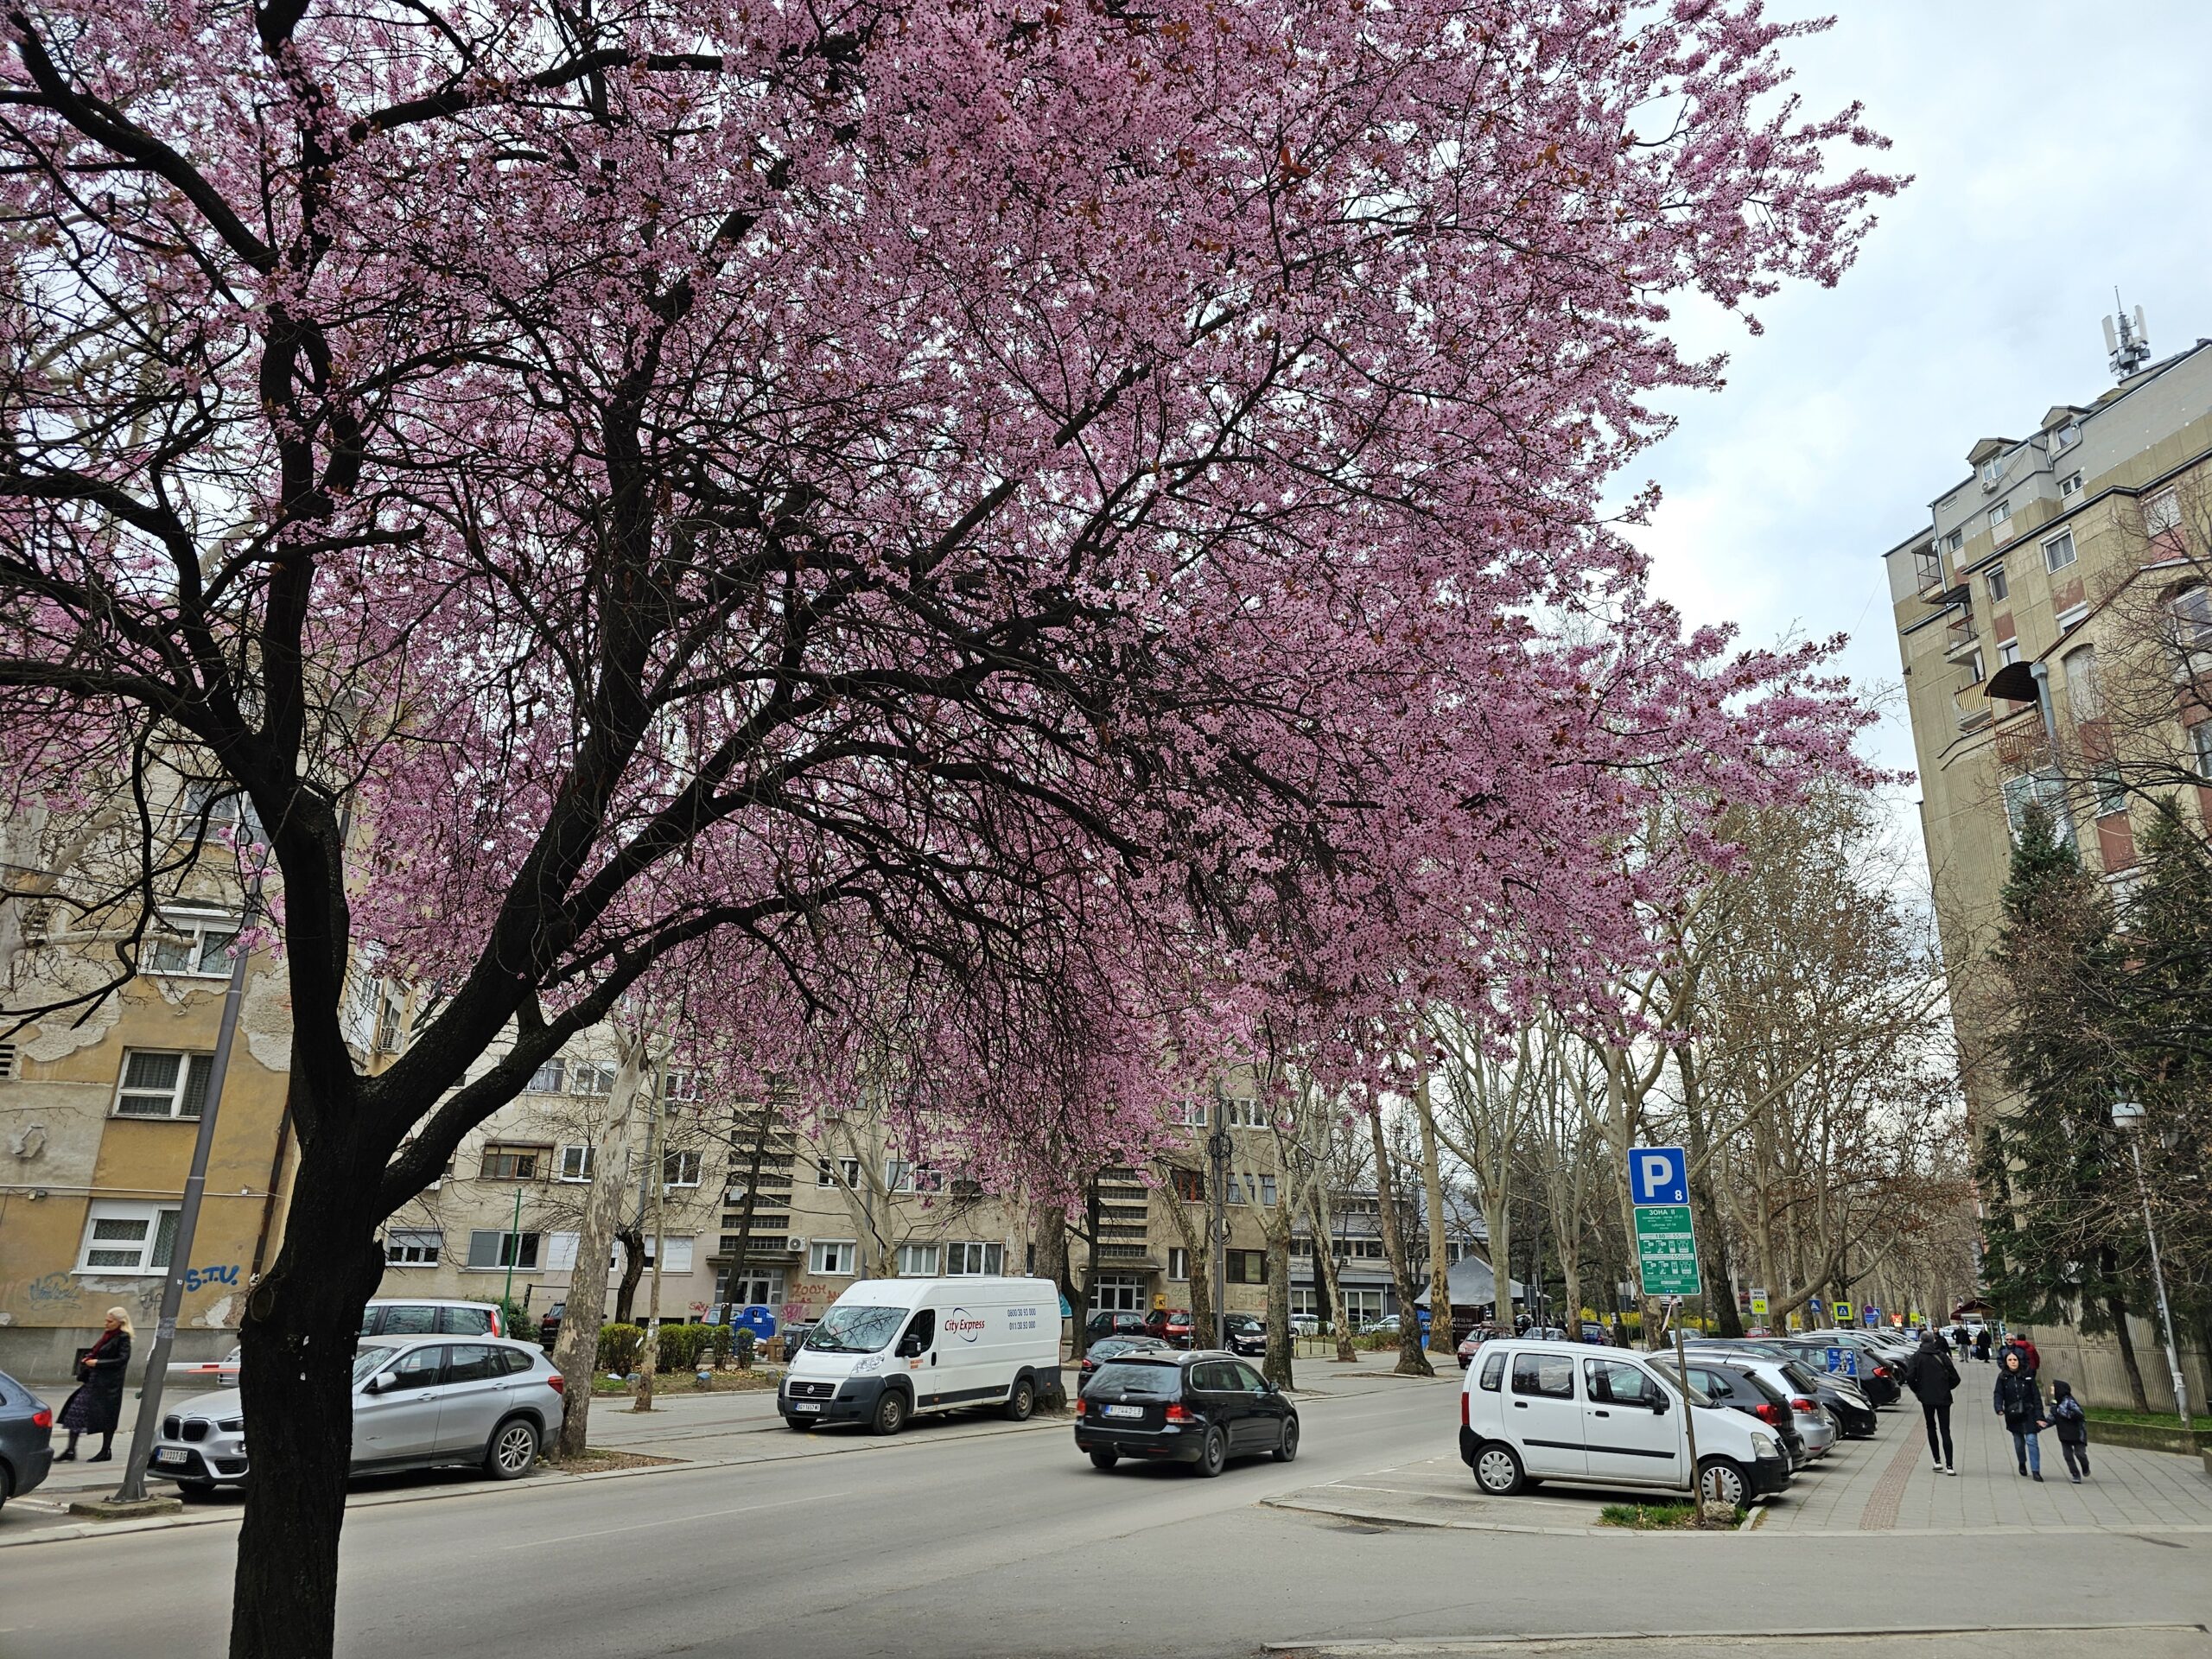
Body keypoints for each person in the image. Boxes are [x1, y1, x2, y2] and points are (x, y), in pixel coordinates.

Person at [55, 1307, 134, 1463]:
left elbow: (122, 1360)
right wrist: (89, 1358)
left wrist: (97, 1363)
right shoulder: (107, 1335)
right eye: (106, 1320)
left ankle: (106, 1450)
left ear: (120, 1322)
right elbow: (97, 1352)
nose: (106, 1323)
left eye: (110, 1321)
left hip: (108, 1386)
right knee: (74, 1412)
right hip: (93, 1382)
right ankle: (70, 1450)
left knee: (107, 1417)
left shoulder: (123, 1338)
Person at [1903, 1330, 1961, 1474]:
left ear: (1921, 1340)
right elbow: (1956, 1378)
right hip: (1944, 1398)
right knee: (1945, 1430)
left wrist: (1918, 1391)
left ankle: (1937, 1461)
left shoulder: (1916, 1357)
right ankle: (1950, 1466)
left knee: (1931, 1427)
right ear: (1933, 1340)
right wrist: (1946, 1388)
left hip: (1926, 1398)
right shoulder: (1941, 1356)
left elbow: (1910, 1377)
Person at [1993, 1347, 2049, 1481]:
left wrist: (2040, 1416)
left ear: (2019, 1361)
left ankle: (2036, 1470)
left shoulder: (2027, 1376)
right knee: (2019, 1443)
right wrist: (1998, 1407)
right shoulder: (2003, 1377)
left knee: (2032, 1441)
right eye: (2010, 1360)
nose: (2013, 1362)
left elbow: (2036, 1396)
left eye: (2015, 1360)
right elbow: (1998, 1393)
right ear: (2006, 1362)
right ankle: (2022, 1462)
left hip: (2029, 1412)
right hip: (2013, 1413)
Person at [2050, 1380, 2091, 1483]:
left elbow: (2079, 1414)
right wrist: (2042, 1425)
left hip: (2077, 1433)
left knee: (2080, 1454)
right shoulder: (2055, 1403)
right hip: (2064, 1434)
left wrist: (2062, 1412)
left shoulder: (2069, 1401)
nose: (2051, 1388)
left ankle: (2085, 1466)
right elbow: (2053, 1417)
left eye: (2053, 1387)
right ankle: (2075, 1474)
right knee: (2067, 1455)